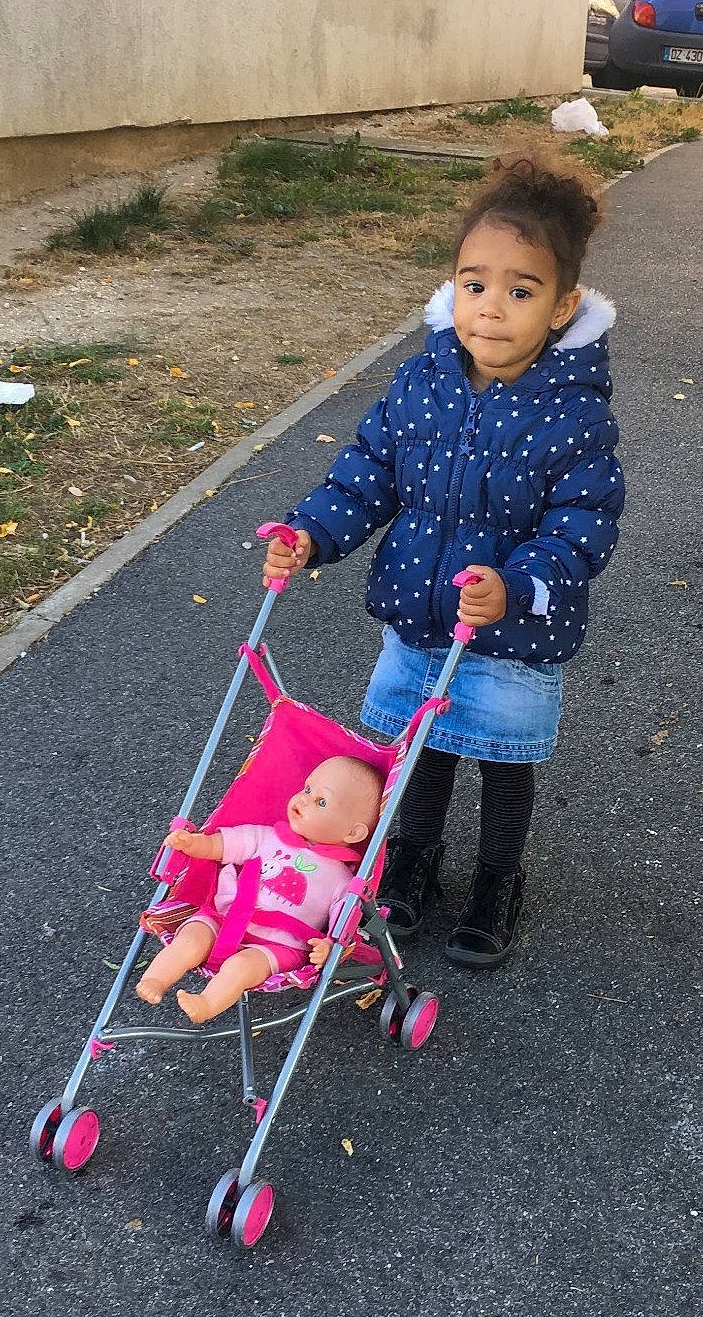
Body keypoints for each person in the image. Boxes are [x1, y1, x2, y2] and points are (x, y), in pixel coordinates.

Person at [262, 153, 624, 968]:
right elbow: (368, 474)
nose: (491, 310)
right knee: (417, 750)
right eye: (474, 285)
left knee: (501, 757)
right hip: (423, 616)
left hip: (512, 628)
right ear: (451, 287)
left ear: (562, 305)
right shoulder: (421, 383)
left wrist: (521, 584)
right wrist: (311, 535)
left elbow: (584, 527)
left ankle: (499, 876)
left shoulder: (574, 413)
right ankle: (413, 859)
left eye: (520, 292)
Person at [135, 754, 383, 1021]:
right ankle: (156, 979)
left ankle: (207, 1004)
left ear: (353, 834)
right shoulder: (268, 836)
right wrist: (193, 844)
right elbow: (223, 845)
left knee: (241, 968)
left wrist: (328, 945)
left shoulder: (343, 879)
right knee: (191, 938)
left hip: (279, 944)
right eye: (307, 789)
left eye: (321, 802)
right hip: (225, 916)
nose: (303, 799)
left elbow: (342, 922)